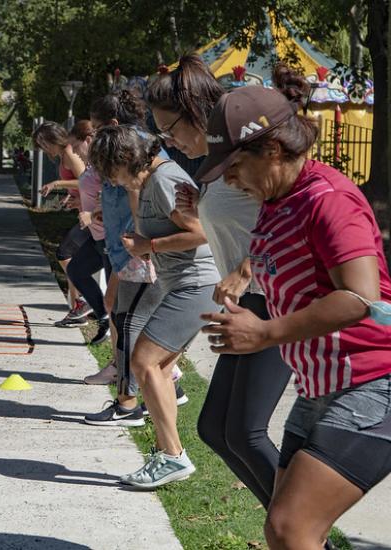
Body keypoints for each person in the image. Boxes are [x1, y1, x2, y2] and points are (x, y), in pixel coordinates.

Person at [197, 84, 391, 550]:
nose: (229, 180)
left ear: (273, 148)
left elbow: (361, 298)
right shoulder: (278, 201)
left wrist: (266, 331)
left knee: (290, 527)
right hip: (320, 386)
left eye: (236, 165)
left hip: (374, 382)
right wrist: (246, 278)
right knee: (285, 530)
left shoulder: (329, 199)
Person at [147, 54, 291, 511]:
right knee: (215, 429)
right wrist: (198, 205)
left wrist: (245, 267)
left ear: (195, 114)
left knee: (245, 432)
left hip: (274, 302)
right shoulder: (211, 167)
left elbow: (283, 213)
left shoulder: (243, 152)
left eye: (170, 130)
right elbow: (233, 219)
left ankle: (302, 531)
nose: (167, 141)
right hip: (247, 304)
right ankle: (291, 529)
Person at [88, 125, 220, 488]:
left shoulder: (163, 180)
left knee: (143, 360)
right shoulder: (147, 181)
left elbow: (201, 232)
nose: (108, 179)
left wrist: (150, 246)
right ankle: (167, 454)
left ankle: (173, 456)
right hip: (182, 282)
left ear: (125, 160)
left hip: (198, 281)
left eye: (108, 170)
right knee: (157, 367)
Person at [83, 90, 188, 425]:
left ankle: (130, 404)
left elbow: (140, 199)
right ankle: (155, 390)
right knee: (124, 320)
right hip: (135, 249)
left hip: (140, 254)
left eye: (97, 129)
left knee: (128, 324)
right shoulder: (138, 155)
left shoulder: (139, 160)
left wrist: (146, 245)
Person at [33, 121, 93, 328]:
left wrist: (57, 184)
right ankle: (79, 308)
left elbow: (86, 181)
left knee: (65, 253)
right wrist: (71, 197)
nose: (44, 149)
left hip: (93, 215)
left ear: (53, 139)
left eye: (44, 143)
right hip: (83, 211)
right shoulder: (63, 156)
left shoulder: (70, 153)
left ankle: (85, 300)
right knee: (70, 257)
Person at [60, 120, 111, 346]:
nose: (74, 153)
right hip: (97, 235)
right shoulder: (91, 165)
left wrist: (91, 215)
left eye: (75, 146)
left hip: (110, 237)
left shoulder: (104, 165)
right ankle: (104, 319)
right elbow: (95, 193)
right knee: (76, 270)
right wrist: (79, 201)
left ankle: (120, 349)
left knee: (117, 296)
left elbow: (115, 198)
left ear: (88, 140)